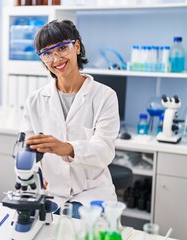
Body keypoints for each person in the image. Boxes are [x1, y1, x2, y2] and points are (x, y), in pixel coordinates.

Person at [20, 19, 120, 218]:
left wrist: (67, 148)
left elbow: (104, 151)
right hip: (52, 194)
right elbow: (26, 149)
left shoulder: (104, 96)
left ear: (76, 46)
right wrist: (34, 177)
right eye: (47, 53)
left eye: (62, 48)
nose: (56, 59)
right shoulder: (35, 100)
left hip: (91, 193)